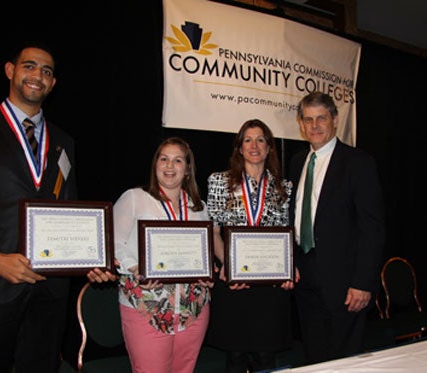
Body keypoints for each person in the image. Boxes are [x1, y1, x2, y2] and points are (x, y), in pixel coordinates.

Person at [0, 41, 117, 373]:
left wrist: (88, 260)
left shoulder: (64, 141)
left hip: (49, 292)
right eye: (29, 66)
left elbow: (69, 215)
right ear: (10, 70)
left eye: (47, 71)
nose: (38, 76)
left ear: (53, 84)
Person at [288, 91, 385, 364]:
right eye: (308, 119)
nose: (314, 125)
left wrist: (363, 283)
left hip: (345, 283)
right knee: (315, 356)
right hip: (304, 276)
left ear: (335, 120)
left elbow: (372, 228)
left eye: (321, 118)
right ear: (301, 124)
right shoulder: (297, 162)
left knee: (345, 360)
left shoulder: (359, 163)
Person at [113, 136, 214, 373]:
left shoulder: (199, 208)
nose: (170, 166)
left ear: (187, 170)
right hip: (146, 306)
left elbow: (204, 253)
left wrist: (208, 273)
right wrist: (135, 266)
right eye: (164, 159)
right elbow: (111, 243)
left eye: (178, 160)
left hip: (193, 310)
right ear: (155, 164)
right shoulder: (135, 198)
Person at [206, 119, 297, 373]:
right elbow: (213, 230)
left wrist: (290, 267)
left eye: (260, 140)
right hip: (233, 280)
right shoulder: (218, 182)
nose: (254, 145)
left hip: (270, 283)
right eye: (247, 140)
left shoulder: (284, 187)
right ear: (239, 147)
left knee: (265, 358)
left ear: (269, 148)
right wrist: (228, 263)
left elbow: (286, 234)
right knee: (234, 357)